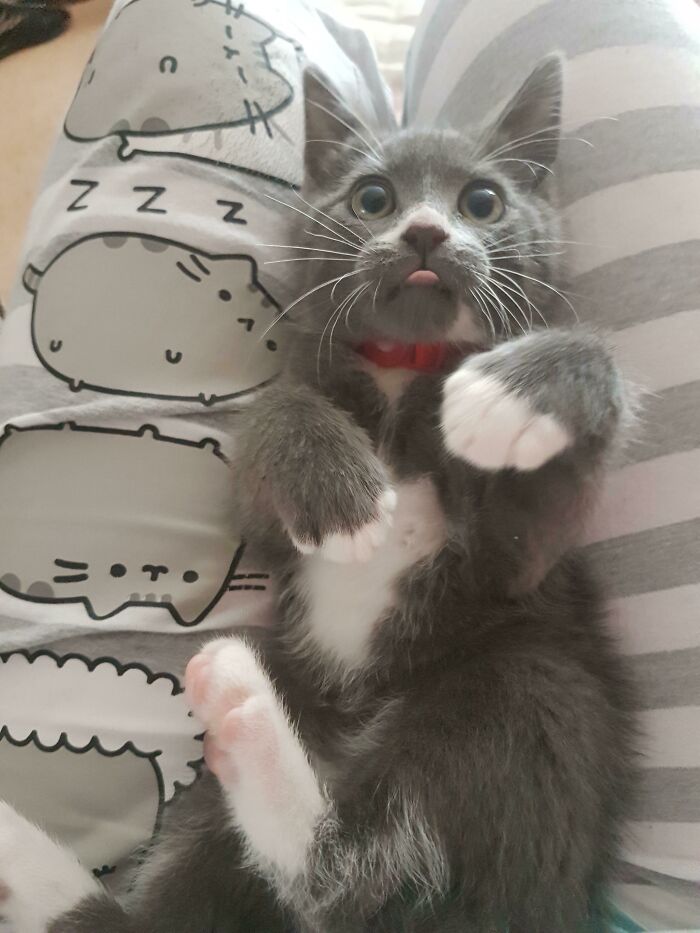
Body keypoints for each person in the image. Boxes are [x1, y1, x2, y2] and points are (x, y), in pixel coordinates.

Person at [0, 0, 698, 927]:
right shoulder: (309, 391)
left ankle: (315, 861)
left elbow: (522, 549)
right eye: (372, 196)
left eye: (480, 200)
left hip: (475, 700)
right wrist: (294, 437)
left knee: (544, 700)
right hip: (313, 720)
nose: (424, 223)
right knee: (211, 819)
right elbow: (266, 504)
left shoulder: (509, 366)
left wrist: (573, 375)